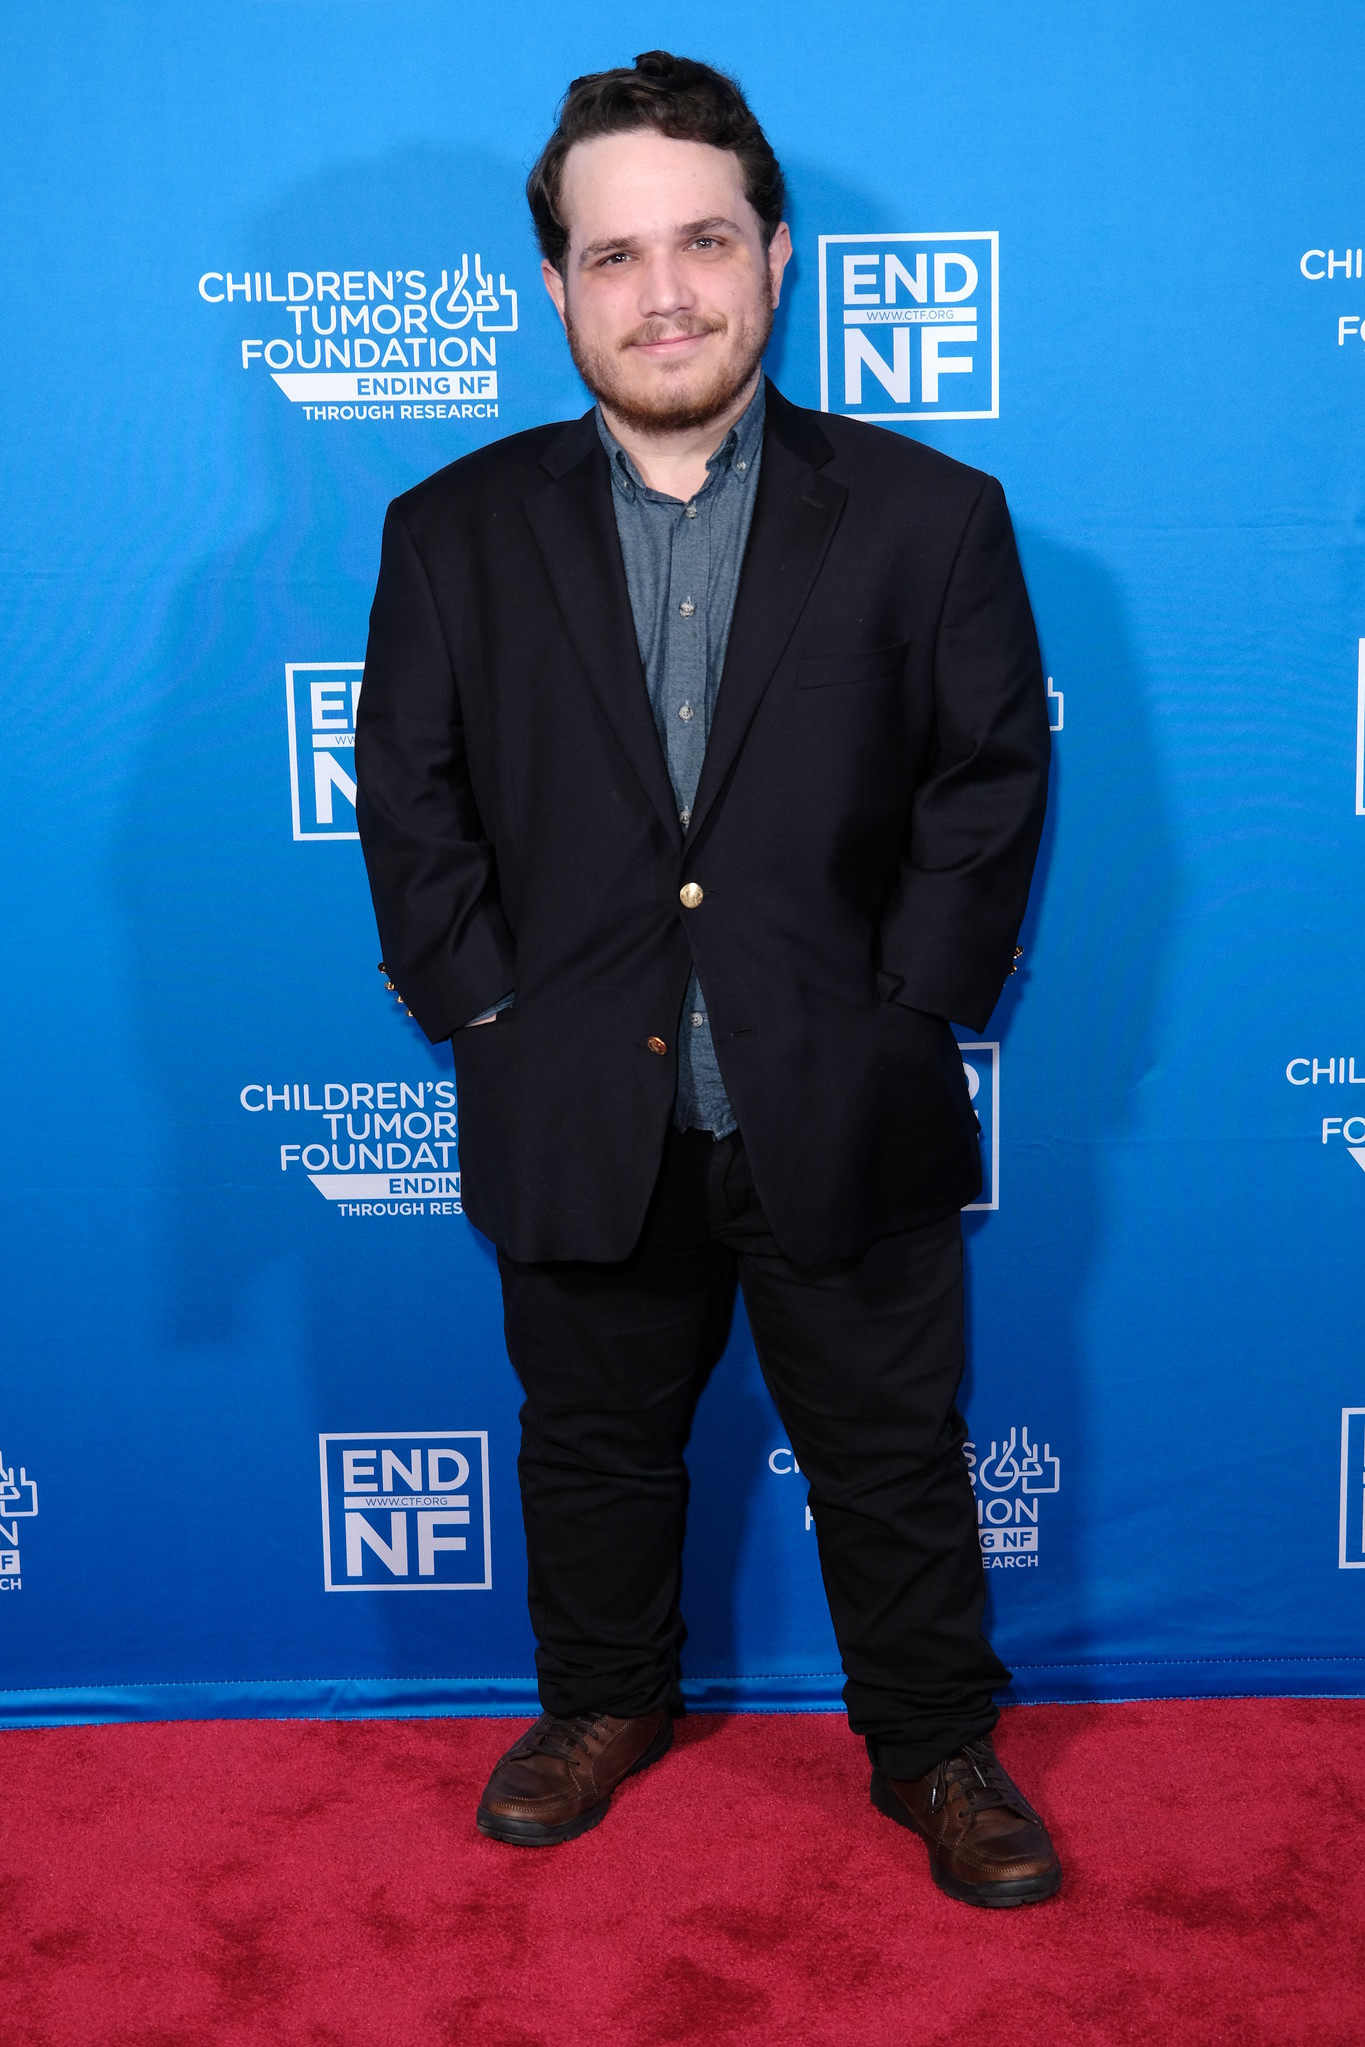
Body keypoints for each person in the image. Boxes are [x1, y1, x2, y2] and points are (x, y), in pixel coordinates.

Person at [356, 50, 1056, 1907]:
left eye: (701, 242)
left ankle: (932, 1745)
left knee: (891, 1455)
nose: (661, 291)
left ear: (773, 259)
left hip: (838, 1085)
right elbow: (407, 804)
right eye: (612, 255)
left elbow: (986, 787)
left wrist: (907, 1012)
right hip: (573, 1090)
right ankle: (598, 1706)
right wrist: (487, 1012)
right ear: (557, 285)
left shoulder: (930, 517)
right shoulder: (450, 532)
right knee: (589, 1447)